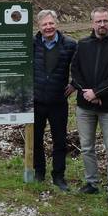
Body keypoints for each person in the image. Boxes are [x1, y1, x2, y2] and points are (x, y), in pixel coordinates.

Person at [71, 7, 108, 207]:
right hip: (84, 106)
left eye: (105, 21)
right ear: (92, 23)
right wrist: (88, 93)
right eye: (98, 21)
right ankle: (91, 183)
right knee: (87, 147)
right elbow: (75, 71)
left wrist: (97, 93)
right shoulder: (83, 44)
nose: (102, 25)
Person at [32, 10, 77, 191]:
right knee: (36, 139)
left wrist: (75, 84)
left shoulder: (70, 45)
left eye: (51, 23)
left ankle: (59, 176)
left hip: (59, 101)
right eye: (44, 24)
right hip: (36, 101)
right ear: (39, 26)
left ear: (56, 24)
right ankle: (39, 172)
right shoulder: (32, 44)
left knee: (59, 140)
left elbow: (81, 66)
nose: (48, 27)